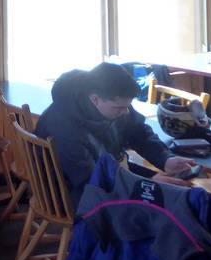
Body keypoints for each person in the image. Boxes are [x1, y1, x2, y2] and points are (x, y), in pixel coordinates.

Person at [35, 62, 197, 207]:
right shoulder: (65, 127)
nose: (126, 112)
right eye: (119, 108)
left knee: (165, 192)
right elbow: (90, 181)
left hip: (103, 174)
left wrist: (165, 159)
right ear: (95, 99)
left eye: (127, 106)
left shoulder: (113, 101)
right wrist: (145, 183)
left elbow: (138, 132)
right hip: (69, 193)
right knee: (159, 203)